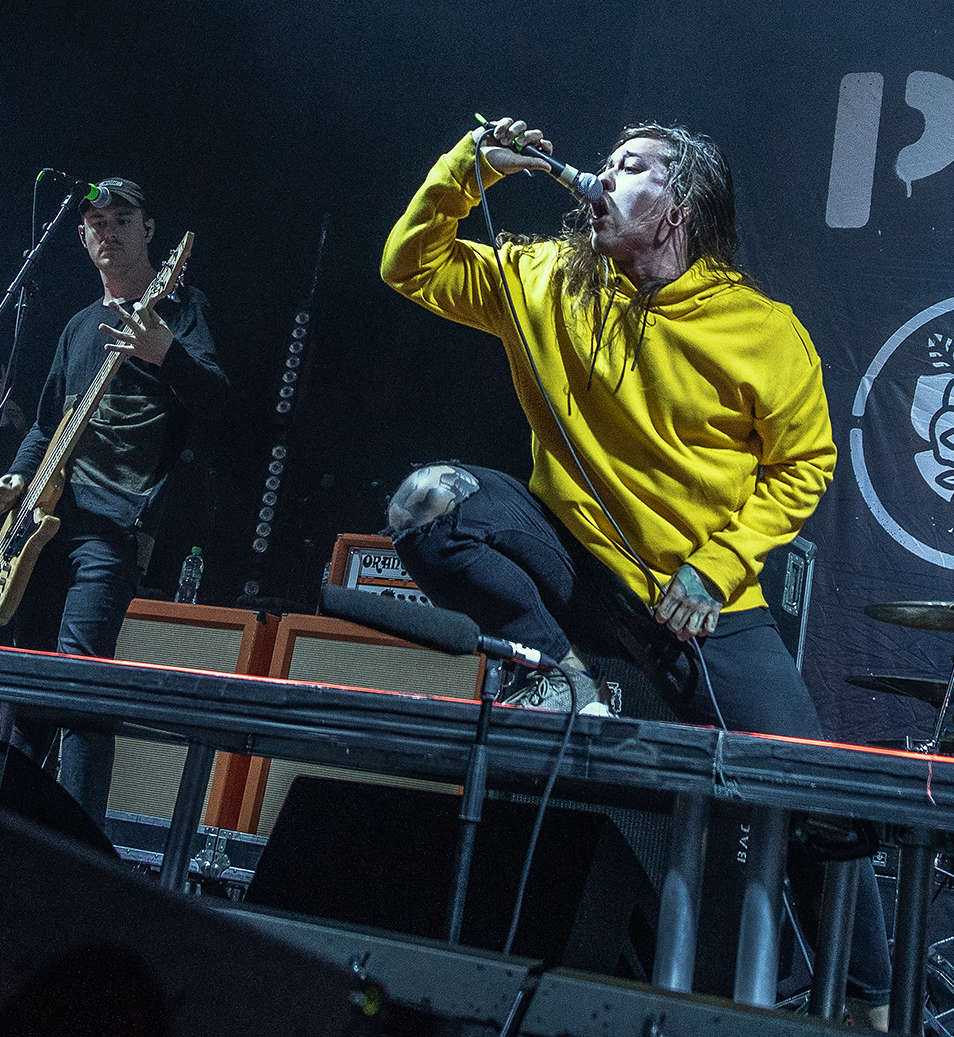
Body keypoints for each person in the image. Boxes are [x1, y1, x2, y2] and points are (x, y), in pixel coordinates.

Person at [379, 117, 889, 1023]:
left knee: (816, 795)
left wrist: (716, 566)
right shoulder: (546, 274)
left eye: (630, 167)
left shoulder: (763, 330)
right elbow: (409, 266)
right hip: (577, 568)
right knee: (432, 502)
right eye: (606, 161)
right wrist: (470, 168)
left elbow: (805, 463)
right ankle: (559, 676)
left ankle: (869, 1003)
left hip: (704, 605)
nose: (600, 176)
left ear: (678, 207)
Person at [0, 178, 227, 826]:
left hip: (115, 526)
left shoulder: (180, 308)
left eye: (122, 218)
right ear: (81, 236)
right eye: (96, 222)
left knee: (81, 681)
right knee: (28, 686)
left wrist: (166, 353)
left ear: (150, 230)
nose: (108, 231)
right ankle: (4, 823)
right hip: (43, 522)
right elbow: (46, 423)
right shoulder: (76, 326)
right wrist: (17, 479)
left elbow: (221, 403)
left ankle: (78, 841)